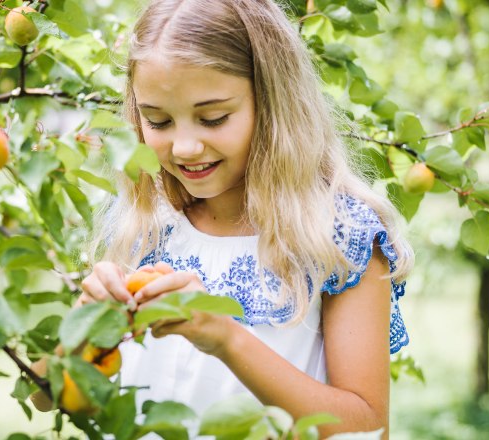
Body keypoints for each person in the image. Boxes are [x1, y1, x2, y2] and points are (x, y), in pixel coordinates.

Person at [79, 0, 414, 437]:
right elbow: (46, 394)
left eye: (213, 118)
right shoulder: (140, 219)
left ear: (273, 105)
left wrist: (226, 338)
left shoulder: (338, 236)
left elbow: (367, 428)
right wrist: (84, 330)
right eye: (157, 121)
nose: (184, 148)